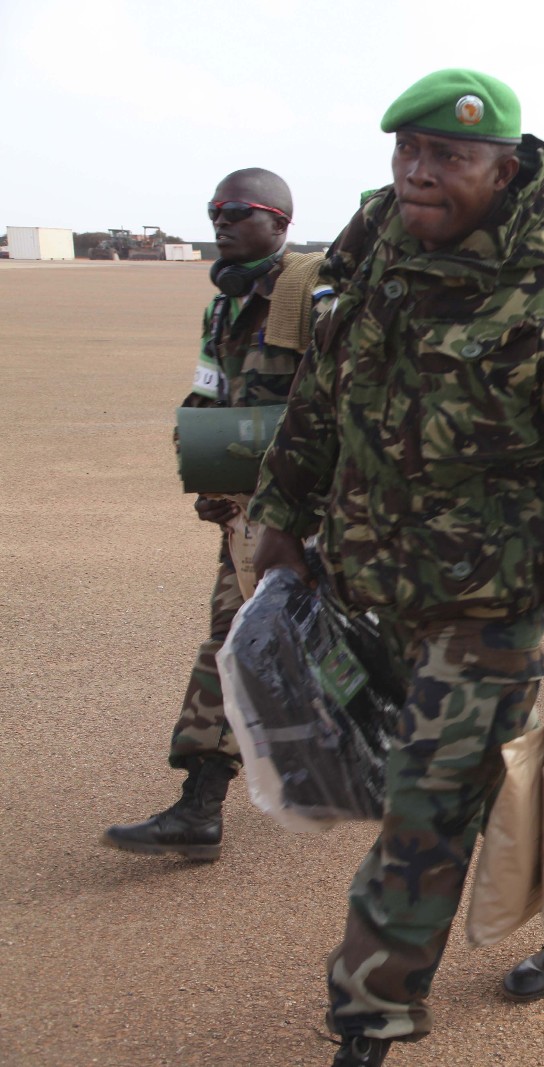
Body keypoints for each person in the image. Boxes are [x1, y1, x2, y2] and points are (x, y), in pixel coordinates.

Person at [247, 70, 544, 1065]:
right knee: (403, 779)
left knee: (422, 815)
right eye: (408, 153)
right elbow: (316, 405)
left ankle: (369, 1019)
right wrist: (278, 521)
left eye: (449, 157)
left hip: (490, 616)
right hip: (367, 595)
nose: (420, 174)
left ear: (502, 169)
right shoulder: (371, 268)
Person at [101, 167, 327, 862]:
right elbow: (212, 393)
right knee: (232, 641)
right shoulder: (224, 307)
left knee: (390, 655)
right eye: (214, 211)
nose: (222, 222)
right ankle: (201, 805)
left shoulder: (314, 298)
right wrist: (209, 471)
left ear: (280, 223)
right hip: (255, 513)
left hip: (320, 510)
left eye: (239, 211)